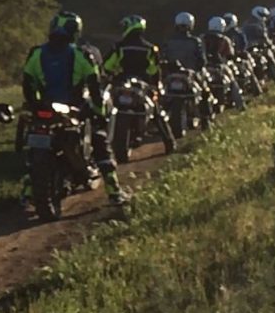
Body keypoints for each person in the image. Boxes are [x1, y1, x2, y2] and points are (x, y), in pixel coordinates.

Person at [22, 11, 129, 207]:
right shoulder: (81, 54)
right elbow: (94, 84)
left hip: (44, 109)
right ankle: (114, 191)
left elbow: (28, 82)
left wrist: (35, 104)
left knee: (35, 149)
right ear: (75, 32)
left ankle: (28, 191)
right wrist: (100, 111)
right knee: (100, 141)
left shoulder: (36, 53)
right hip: (74, 109)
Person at [103, 14, 175, 150]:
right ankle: (169, 143)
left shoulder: (119, 47)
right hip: (143, 83)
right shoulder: (150, 48)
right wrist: (156, 85)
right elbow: (154, 70)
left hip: (122, 81)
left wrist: (110, 75)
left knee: (106, 109)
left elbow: (107, 66)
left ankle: (102, 140)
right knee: (157, 113)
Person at [204, 16, 245, 111]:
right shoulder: (225, 39)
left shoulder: (202, 38)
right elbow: (230, 54)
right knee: (233, 82)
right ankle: (240, 104)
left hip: (206, 66)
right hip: (220, 66)